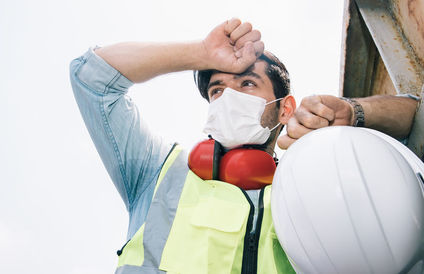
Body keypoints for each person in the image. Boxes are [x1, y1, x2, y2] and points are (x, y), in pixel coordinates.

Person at [69, 18, 419, 273]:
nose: (228, 98)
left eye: (247, 84)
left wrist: (355, 112)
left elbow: (415, 117)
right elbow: (92, 77)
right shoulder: (155, 172)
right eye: (217, 89)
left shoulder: (307, 184)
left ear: (285, 108)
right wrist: (201, 53)